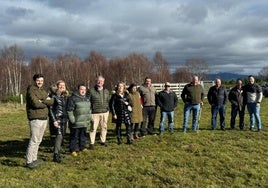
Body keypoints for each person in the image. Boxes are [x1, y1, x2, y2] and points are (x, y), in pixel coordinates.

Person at [25, 73, 53, 169]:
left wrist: (43, 101)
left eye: (41, 80)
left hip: (44, 118)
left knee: (39, 140)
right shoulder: (31, 90)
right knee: (34, 140)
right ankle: (29, 161)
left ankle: (34, 159)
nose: (40, 82)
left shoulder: (43, 91)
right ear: (34, 80)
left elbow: (52, 101)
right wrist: (45, 101)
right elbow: (35, 103)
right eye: (38, 80)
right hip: (35, 118)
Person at [67, 84, 91, 157]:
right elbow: (69, 110)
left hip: (84, 122)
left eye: (84, 89)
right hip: (76, 122)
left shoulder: (87, 98)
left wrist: (88, 119)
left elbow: (89, 110)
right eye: (81, 89)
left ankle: (82, 147)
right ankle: (73, 150)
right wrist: (72, 120)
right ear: (78, 90)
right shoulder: (73, 98)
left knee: (83, 136)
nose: (83, 91)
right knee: (74, 137)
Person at [87, 76, 110, 150]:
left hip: (105, 112)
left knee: (104, 128)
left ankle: (103, 141)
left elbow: (108, 100)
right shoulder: (91, 91)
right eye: (98, 81)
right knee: (93, 128)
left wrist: (108, 109)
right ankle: (91, 143)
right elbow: (87, 101)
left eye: (101, 81)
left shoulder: (106, 91)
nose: (100, 82)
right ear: (96, 81)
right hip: (94, 113)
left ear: (104, 82)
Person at [49, 80, 69, 163]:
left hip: (64, 119)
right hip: (57, 119)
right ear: (57, 86)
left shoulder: (65, 96)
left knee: (62, 136)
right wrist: (54, 120)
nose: (62, 87)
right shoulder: (53, 96)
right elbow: (50, 109)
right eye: (60, 85)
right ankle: (56, 155)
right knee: (59, 135)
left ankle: (58, 152)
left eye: (63, 85)